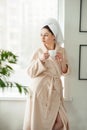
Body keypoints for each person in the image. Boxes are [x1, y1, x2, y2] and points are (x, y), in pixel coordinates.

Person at [23, 18, 70, 130]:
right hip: (39, 91)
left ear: (54, 36)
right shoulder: (38, 51)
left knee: (61, 121)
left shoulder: (61, 51)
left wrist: (62, 61)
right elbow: (30, 72)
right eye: (41, 35)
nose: (42, 38)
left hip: (55, 89)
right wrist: (41, 60)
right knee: (39, 122)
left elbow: (65, 72)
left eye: (46, 35)